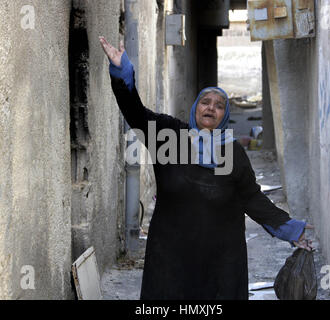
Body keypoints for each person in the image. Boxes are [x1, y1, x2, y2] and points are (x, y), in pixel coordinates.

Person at [99, 36, 314, 300]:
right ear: (195, 107)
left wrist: (290, 229)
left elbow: (251, 197)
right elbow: (135, 113)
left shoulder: (232, 151)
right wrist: (122, 71)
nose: (211, 107)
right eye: (205, 102)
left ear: (225, 115)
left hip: (220, 261)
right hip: (171, 256)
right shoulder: (169, 135)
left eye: (219, 105)